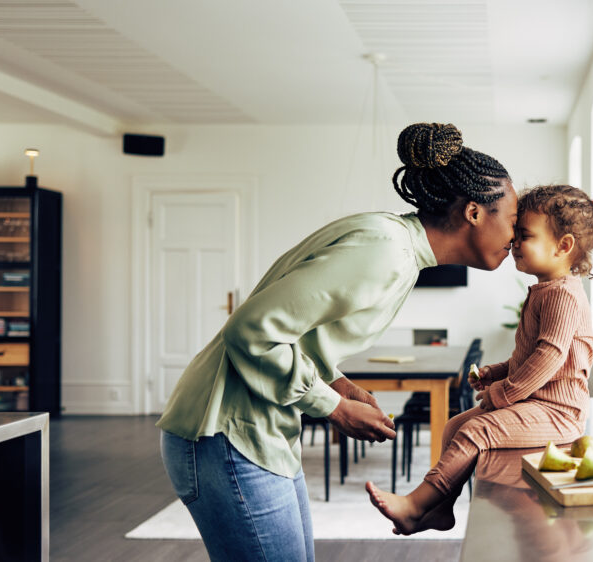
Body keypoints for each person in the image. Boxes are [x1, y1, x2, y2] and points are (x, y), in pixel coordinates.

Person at [156, 122, 518, 561]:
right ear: (474, 213)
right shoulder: (385, 251)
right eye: (513, 220)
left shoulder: (397, 248)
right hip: (226, 432)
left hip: (256, 431)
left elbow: (299, 332)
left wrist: (338, 383)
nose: (516, 236)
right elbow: (250, 331)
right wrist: (333, 407)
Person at [366, 184, 593, 535]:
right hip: (536, 402)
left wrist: (504, 392)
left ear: (563, 246)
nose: (514, 242)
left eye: (525, 236)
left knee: (476, 431)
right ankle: (441, 509)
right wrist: (496, 372)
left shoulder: (563, 296)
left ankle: (415, 505)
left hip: (559, 413)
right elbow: (531, 356)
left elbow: (549, 357)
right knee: (455, 426)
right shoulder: (546, 291)